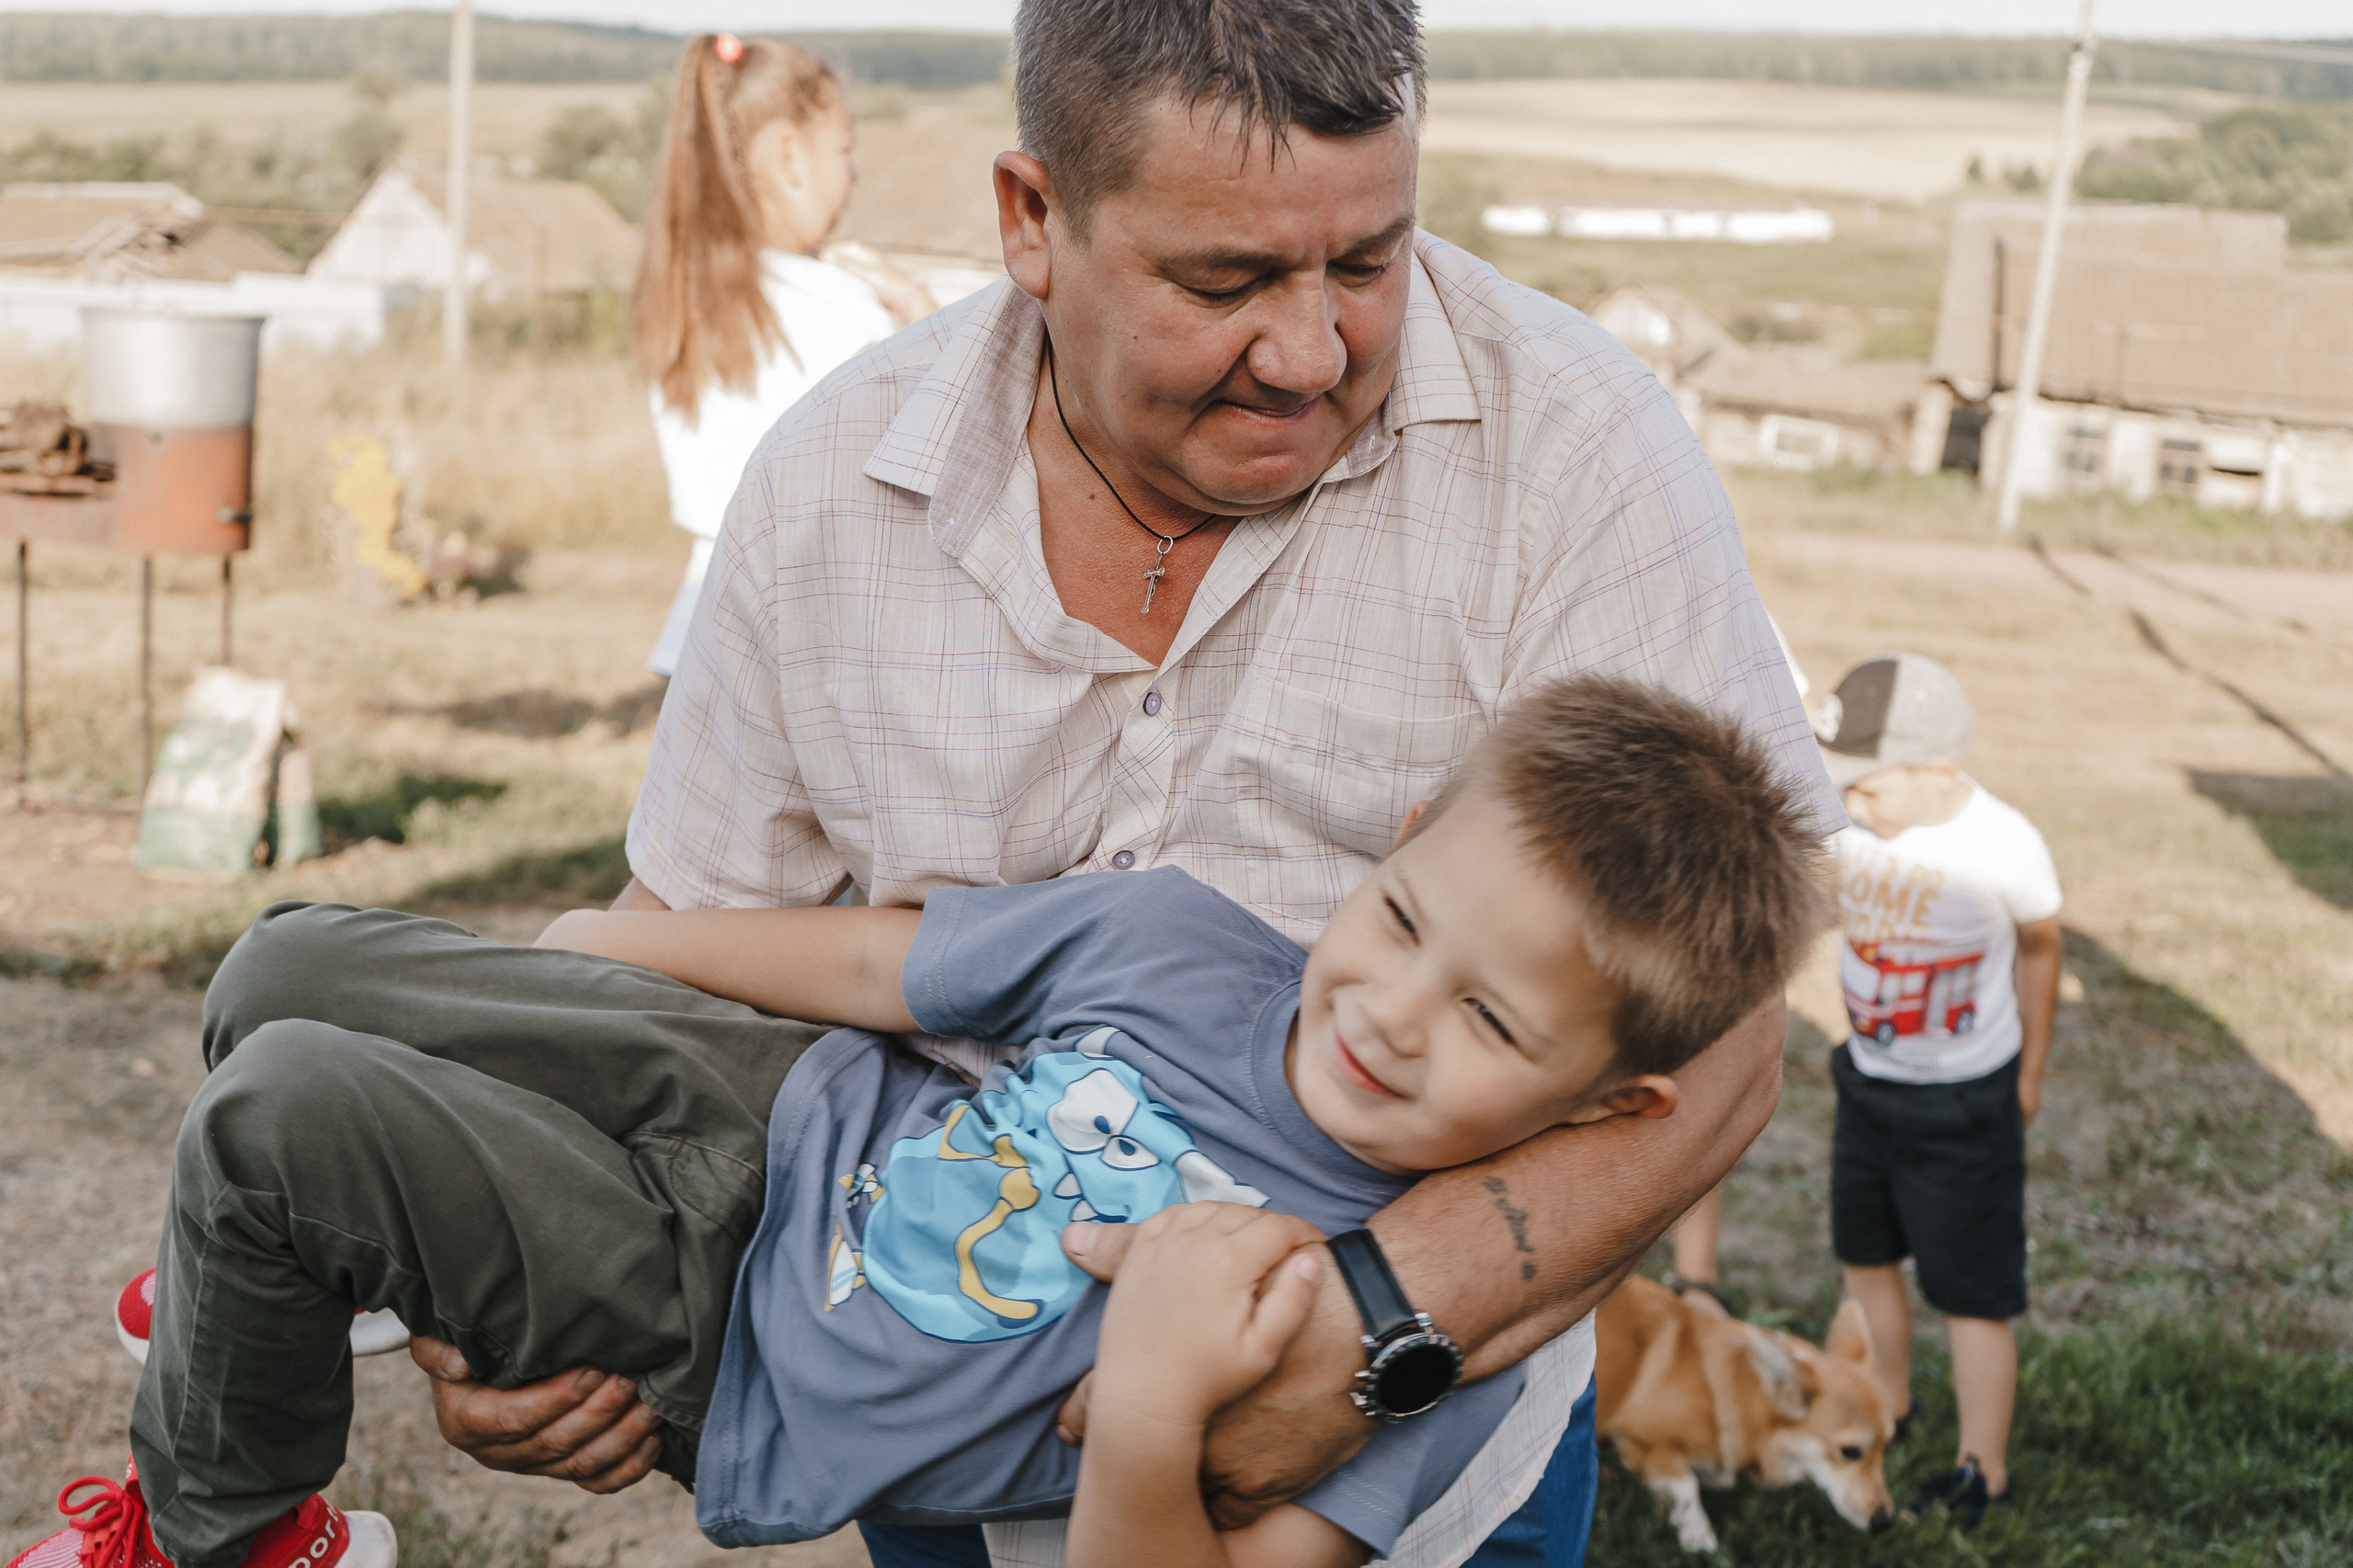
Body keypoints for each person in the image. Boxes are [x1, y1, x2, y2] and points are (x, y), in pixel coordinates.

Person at [405, 4, 1846, 1565]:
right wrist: (522, 1288)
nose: (1312, 352)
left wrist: (1373, 1327)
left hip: (1428, 1491)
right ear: (1034, 218)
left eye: (1369, 262)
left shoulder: (1580, 450)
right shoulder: (825, 490)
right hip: (934, 1446)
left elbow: (1720, 1040)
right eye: (1225, 282)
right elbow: (684, 944)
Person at [10, 677, 1827, 1568]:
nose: (1387, 1011)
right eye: (1403, 917)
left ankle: (225, 1533)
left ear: (1614, 1100)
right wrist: (595, 947)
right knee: (286, 964)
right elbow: (889, 965)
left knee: (277, 1116)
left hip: (735, 1338)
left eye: (1490, 1018)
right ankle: (285, 1296)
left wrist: (1149, 1395)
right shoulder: (1182, 939)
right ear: (1398, 839)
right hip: (771, 1102)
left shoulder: (1433, 1346)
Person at [1812, 653, 2063, 1528]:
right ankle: (1890, 1398)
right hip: (1869, 1086)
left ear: (1938, 767)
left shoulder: (2003, 846)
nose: (1852, 803)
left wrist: (2029, 1072)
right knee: (1866, 1256)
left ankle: (1981, 1469)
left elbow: (2040, 948)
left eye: (1869, 786)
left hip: (1964, 1105)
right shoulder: (1851, 830)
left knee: (1969, 1291)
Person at [635, 30, 919, 679]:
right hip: (818, 642)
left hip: (700, 633)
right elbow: (951, 436)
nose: (852, 175)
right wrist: (916, 302)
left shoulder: (684, 296)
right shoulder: (837, 305)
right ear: (790, 158)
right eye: (844, 151)